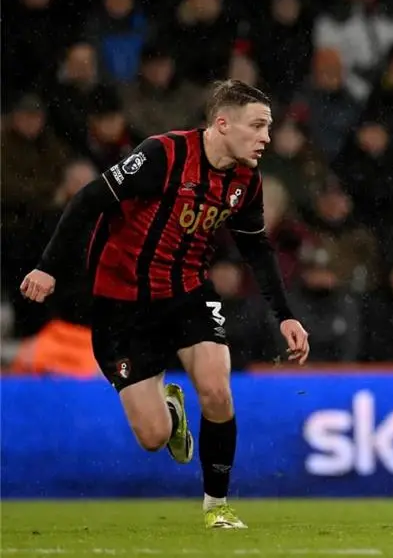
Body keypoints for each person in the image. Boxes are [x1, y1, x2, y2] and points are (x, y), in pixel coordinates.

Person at [20, 80, 310, 529]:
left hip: (187, 294)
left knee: (216, 389)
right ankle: (171, 411)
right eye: (257, 126)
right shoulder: (163, 155)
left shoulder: (246, 182)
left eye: (268, 128)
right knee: (154, 437)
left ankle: (217, 506)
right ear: (222, 124)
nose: (266, 138)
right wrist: (47, 267)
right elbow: (87, 200)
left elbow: (257, 251)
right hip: (121, 307)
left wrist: (286, 315)